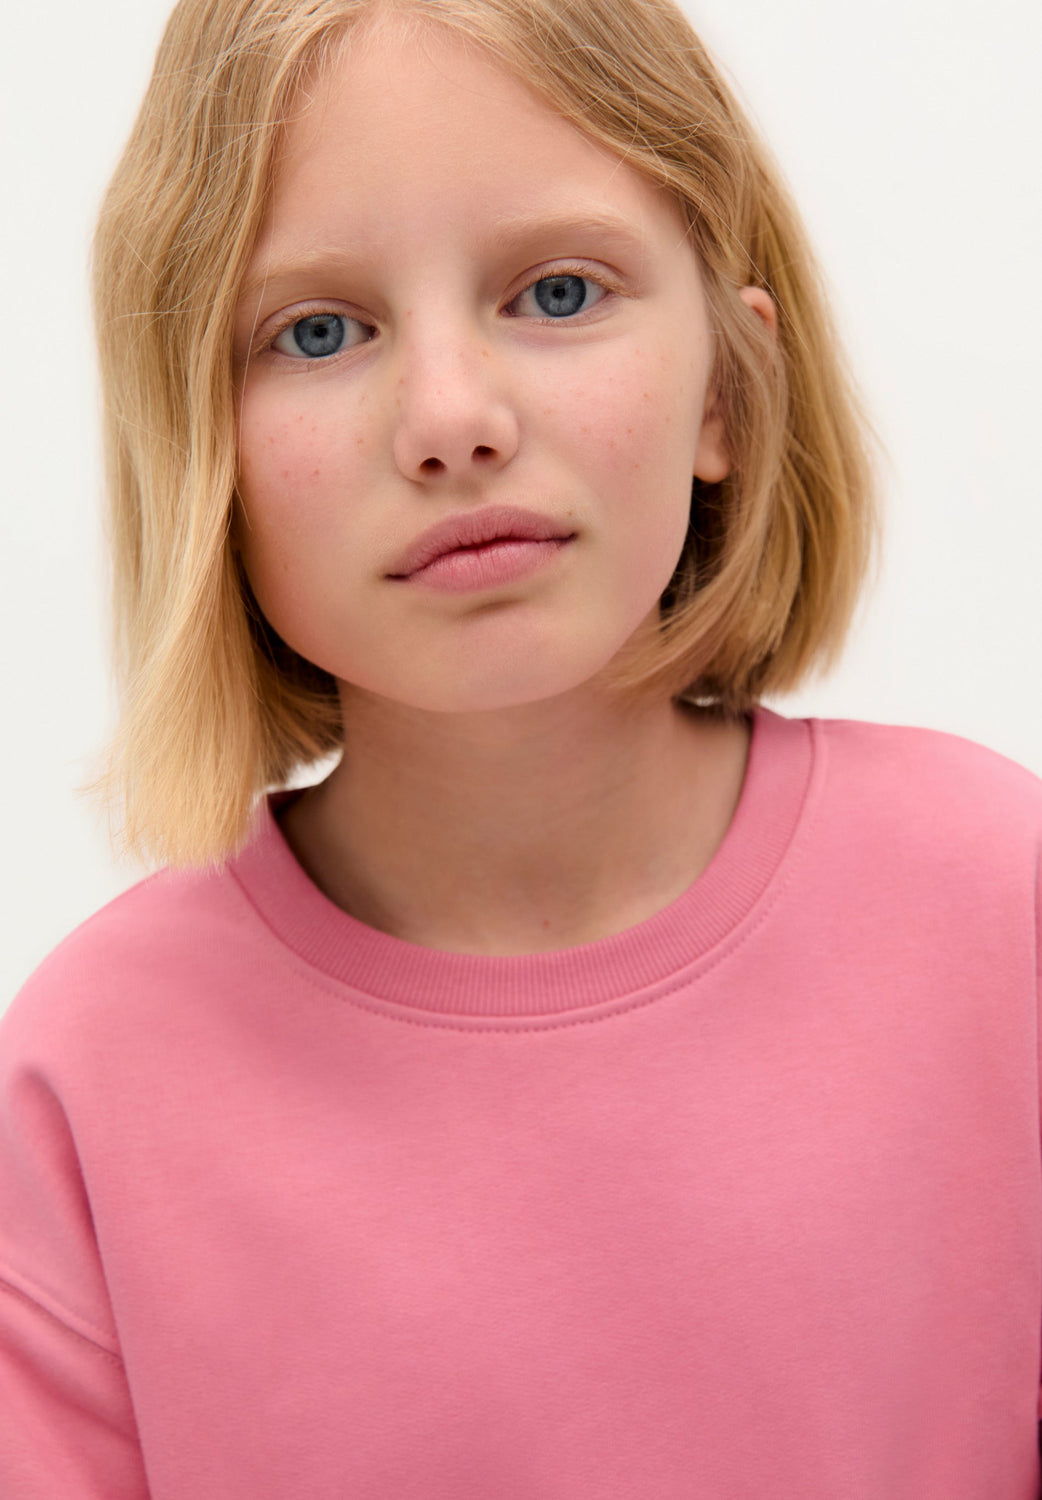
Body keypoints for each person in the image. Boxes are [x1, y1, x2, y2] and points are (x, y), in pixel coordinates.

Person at [1, 0, 1039, 1494]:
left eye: (556, 294)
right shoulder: (94, 1077)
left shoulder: (999, 910)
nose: (450, 419)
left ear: (726, 390)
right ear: (200, 452)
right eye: (317, 331)